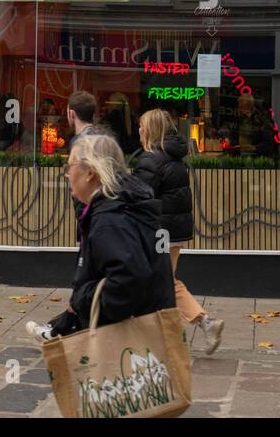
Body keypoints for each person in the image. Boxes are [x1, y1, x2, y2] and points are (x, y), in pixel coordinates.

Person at [26, 132, 174, 340]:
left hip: (125, 342)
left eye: (70, 167)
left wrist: (84, 303)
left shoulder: (110, 219)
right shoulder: (124, 206)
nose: (67, 174)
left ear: (90, 173)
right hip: (145, 334)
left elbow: (128, 278)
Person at [132, 109, 223, 354]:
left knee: (154, 281)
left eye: (141, 125)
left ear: (149, 129)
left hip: (158, 231)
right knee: (164, 281)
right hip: (174, 231)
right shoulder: (175, 158)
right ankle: (203, 324)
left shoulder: (150, 159)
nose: (138, 130)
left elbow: (140, 199)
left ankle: (172, 334)